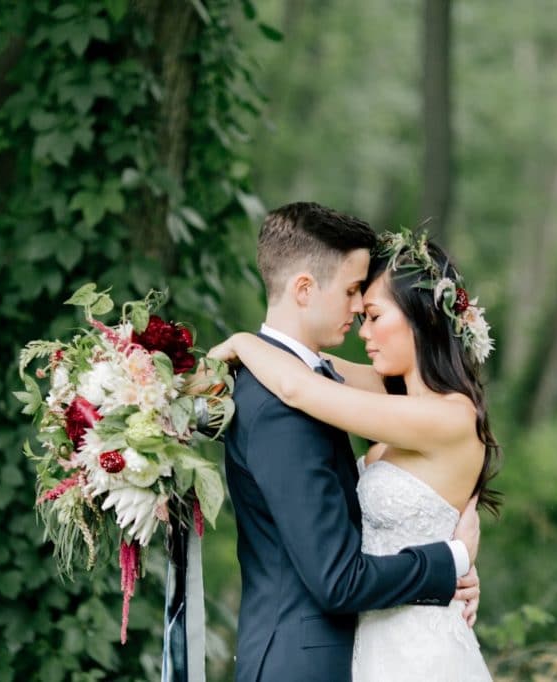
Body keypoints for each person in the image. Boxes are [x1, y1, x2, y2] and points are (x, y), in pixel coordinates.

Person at [211, 224, 500, 681]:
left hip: (418, 654)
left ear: (421, 316)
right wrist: (451, 564)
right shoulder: (397, 399)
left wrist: (243, 343)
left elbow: (299, 386)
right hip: (369, 645)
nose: (362, 330)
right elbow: (314, 367)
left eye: (374, 315)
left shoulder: (449, 417)